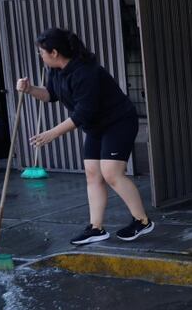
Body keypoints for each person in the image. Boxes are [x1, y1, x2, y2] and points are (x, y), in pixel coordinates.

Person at [16, 27, 154, 245]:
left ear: (54, 52)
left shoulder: (86, 72)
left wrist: (51, 134)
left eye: (41, 52)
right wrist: (30, 89)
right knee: (93, 174)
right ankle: (96, 228)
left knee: (111, 173)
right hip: (95, 125)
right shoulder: (56, 71)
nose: (40, 56)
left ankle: (143, 221)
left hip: (118, 122)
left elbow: (82, 114)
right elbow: (50, 95)